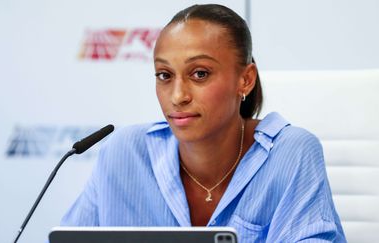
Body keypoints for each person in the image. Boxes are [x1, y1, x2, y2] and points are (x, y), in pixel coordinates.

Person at [61, 4, 346, 242]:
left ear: (245, 79)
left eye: (199, 74)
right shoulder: (124, 151)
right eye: (164, 75)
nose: (178, 96)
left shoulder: (292, 153)